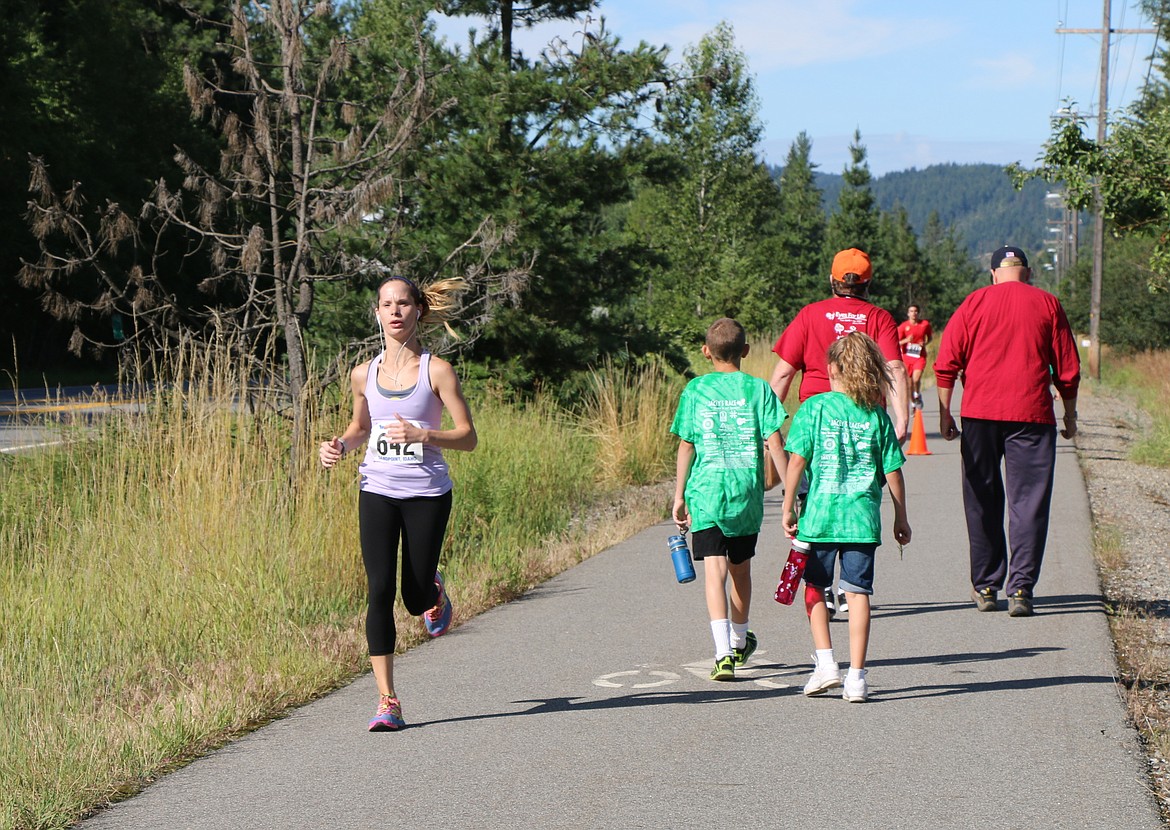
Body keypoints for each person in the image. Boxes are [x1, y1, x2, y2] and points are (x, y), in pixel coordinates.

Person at [319, 274, 478, 731]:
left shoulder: (436, 371)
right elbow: (359, 428)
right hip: (377, 489)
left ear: (417, 312)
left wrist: (424, 433)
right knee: (379, 590)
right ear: (376, 314)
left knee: (413, 597)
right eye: (386, 304)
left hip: (427, 492)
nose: (394, 311)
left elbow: (468, 437)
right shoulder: (362, 374)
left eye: (403, 303)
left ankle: (433, 590)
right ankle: (388, 700)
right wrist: (340, 446)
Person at [933, 245, 1080, 617]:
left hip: (981, 414)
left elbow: (946, 362)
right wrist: (1070, 415)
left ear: (994, 273)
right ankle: (1021, 589)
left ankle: (985, 585)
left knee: (981, 497)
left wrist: (945, 413)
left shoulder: (975, 302)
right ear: (1027, 273)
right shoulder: (1048, 303)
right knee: (1028, 502)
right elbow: (1067, 370)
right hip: (1032, 414)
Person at [770, 247, 910, 617]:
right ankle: (853, 584)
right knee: (858, 492)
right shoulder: (878, 317)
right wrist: (901, 420)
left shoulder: (810, 315)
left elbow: (783, 373)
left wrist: (767, 427)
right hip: (864, 418)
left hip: (813, 424)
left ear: (832, 280)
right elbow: (896, 369)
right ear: (867, 284)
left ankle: (823, 586)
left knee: (813, 497)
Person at [781, 332, 911, 703]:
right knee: (857, 594)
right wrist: (901, 517)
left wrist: (788, 505)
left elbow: (797, 461)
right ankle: (857, 677)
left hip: (819, 519)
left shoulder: (814, 409)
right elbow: (893, 472)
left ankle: (825, 664)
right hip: (861, 521)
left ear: (832, 369)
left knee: (814, 588)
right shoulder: (876, 415)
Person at [671, 318, 788, 682]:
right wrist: (789, 492)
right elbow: (775, 443)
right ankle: (739, 641)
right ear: (746, 351)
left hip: (706, 492)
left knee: (714, 572)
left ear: (706, 352)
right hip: (745, 496)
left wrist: (678, 496)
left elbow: (686, 444)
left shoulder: (695, 391)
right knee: (741, 570)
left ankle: (723, 655)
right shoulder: (759, 390)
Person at [897, 304, 933, 409]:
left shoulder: (925, 324)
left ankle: (917, 394)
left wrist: (925, 343)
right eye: (911, 311)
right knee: (909, 384)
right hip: (907, 357)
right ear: (908, 314)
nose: (914, 313)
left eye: (916, 311)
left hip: (919, 356)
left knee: (916, 379)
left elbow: (929, 338)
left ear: (918, 313)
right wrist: (906, 340)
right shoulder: (903, 326)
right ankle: (913, 402)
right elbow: (897, 342)